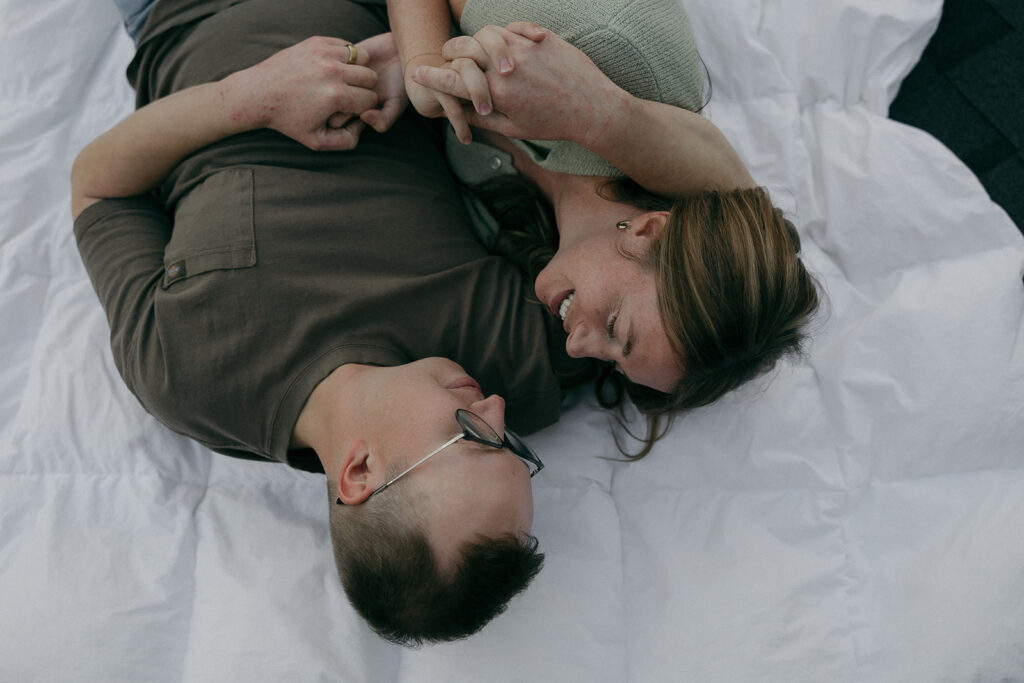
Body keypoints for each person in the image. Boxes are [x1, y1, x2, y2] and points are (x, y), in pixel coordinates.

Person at [73, 0, 592, 645]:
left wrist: (250, 97)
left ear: (359, 473)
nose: (494, 408)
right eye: (513, 445)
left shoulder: (191, 373)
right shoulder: (510, 353)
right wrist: (421, 53)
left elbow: (97, 187)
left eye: (471, 436)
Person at [387, 0, 821, 452]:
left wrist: (399, 56)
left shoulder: (528, 240)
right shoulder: (608, 43)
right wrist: (423, 63)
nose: (576, 346)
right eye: (615, 326)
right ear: (647, 232)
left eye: (612, 362)